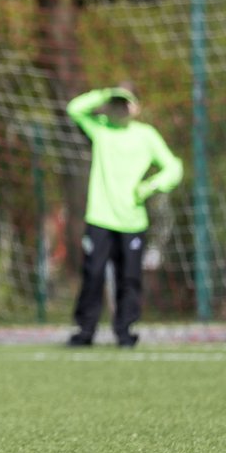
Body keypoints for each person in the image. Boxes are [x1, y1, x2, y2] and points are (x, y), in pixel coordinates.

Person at [65, 85, 182, 348]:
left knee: (129, 277)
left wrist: (149, 187)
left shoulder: (146, 136)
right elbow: (74, 109)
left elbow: (174, 167)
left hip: (132, 220)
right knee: (93, 274)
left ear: (135, 108)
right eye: (115, 103)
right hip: (100, 217)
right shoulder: (101, 130)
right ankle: (85, 331)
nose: (120, 108)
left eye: (125, 103)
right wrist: (105, 94)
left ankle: (125, 331)